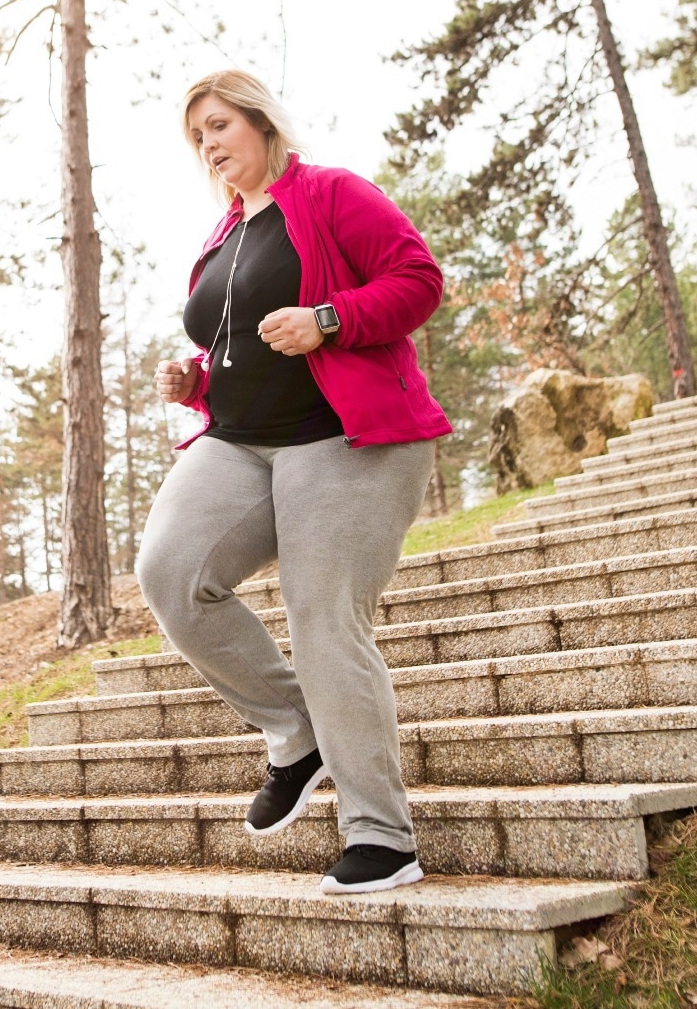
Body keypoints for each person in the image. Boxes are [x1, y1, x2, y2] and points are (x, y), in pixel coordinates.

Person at [139, 68, 452, 896]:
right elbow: (238, 347)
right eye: (197, 136)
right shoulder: (223, 233)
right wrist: (194, 379)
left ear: (261, 121)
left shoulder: (331, 193)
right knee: (169, 570)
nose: (208, 145)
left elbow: (418, 279)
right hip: (240, 442)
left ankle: (383, 835)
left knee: (321, 616)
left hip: (343, 437)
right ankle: (294, 725)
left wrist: (330, 319)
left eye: (217, 125)